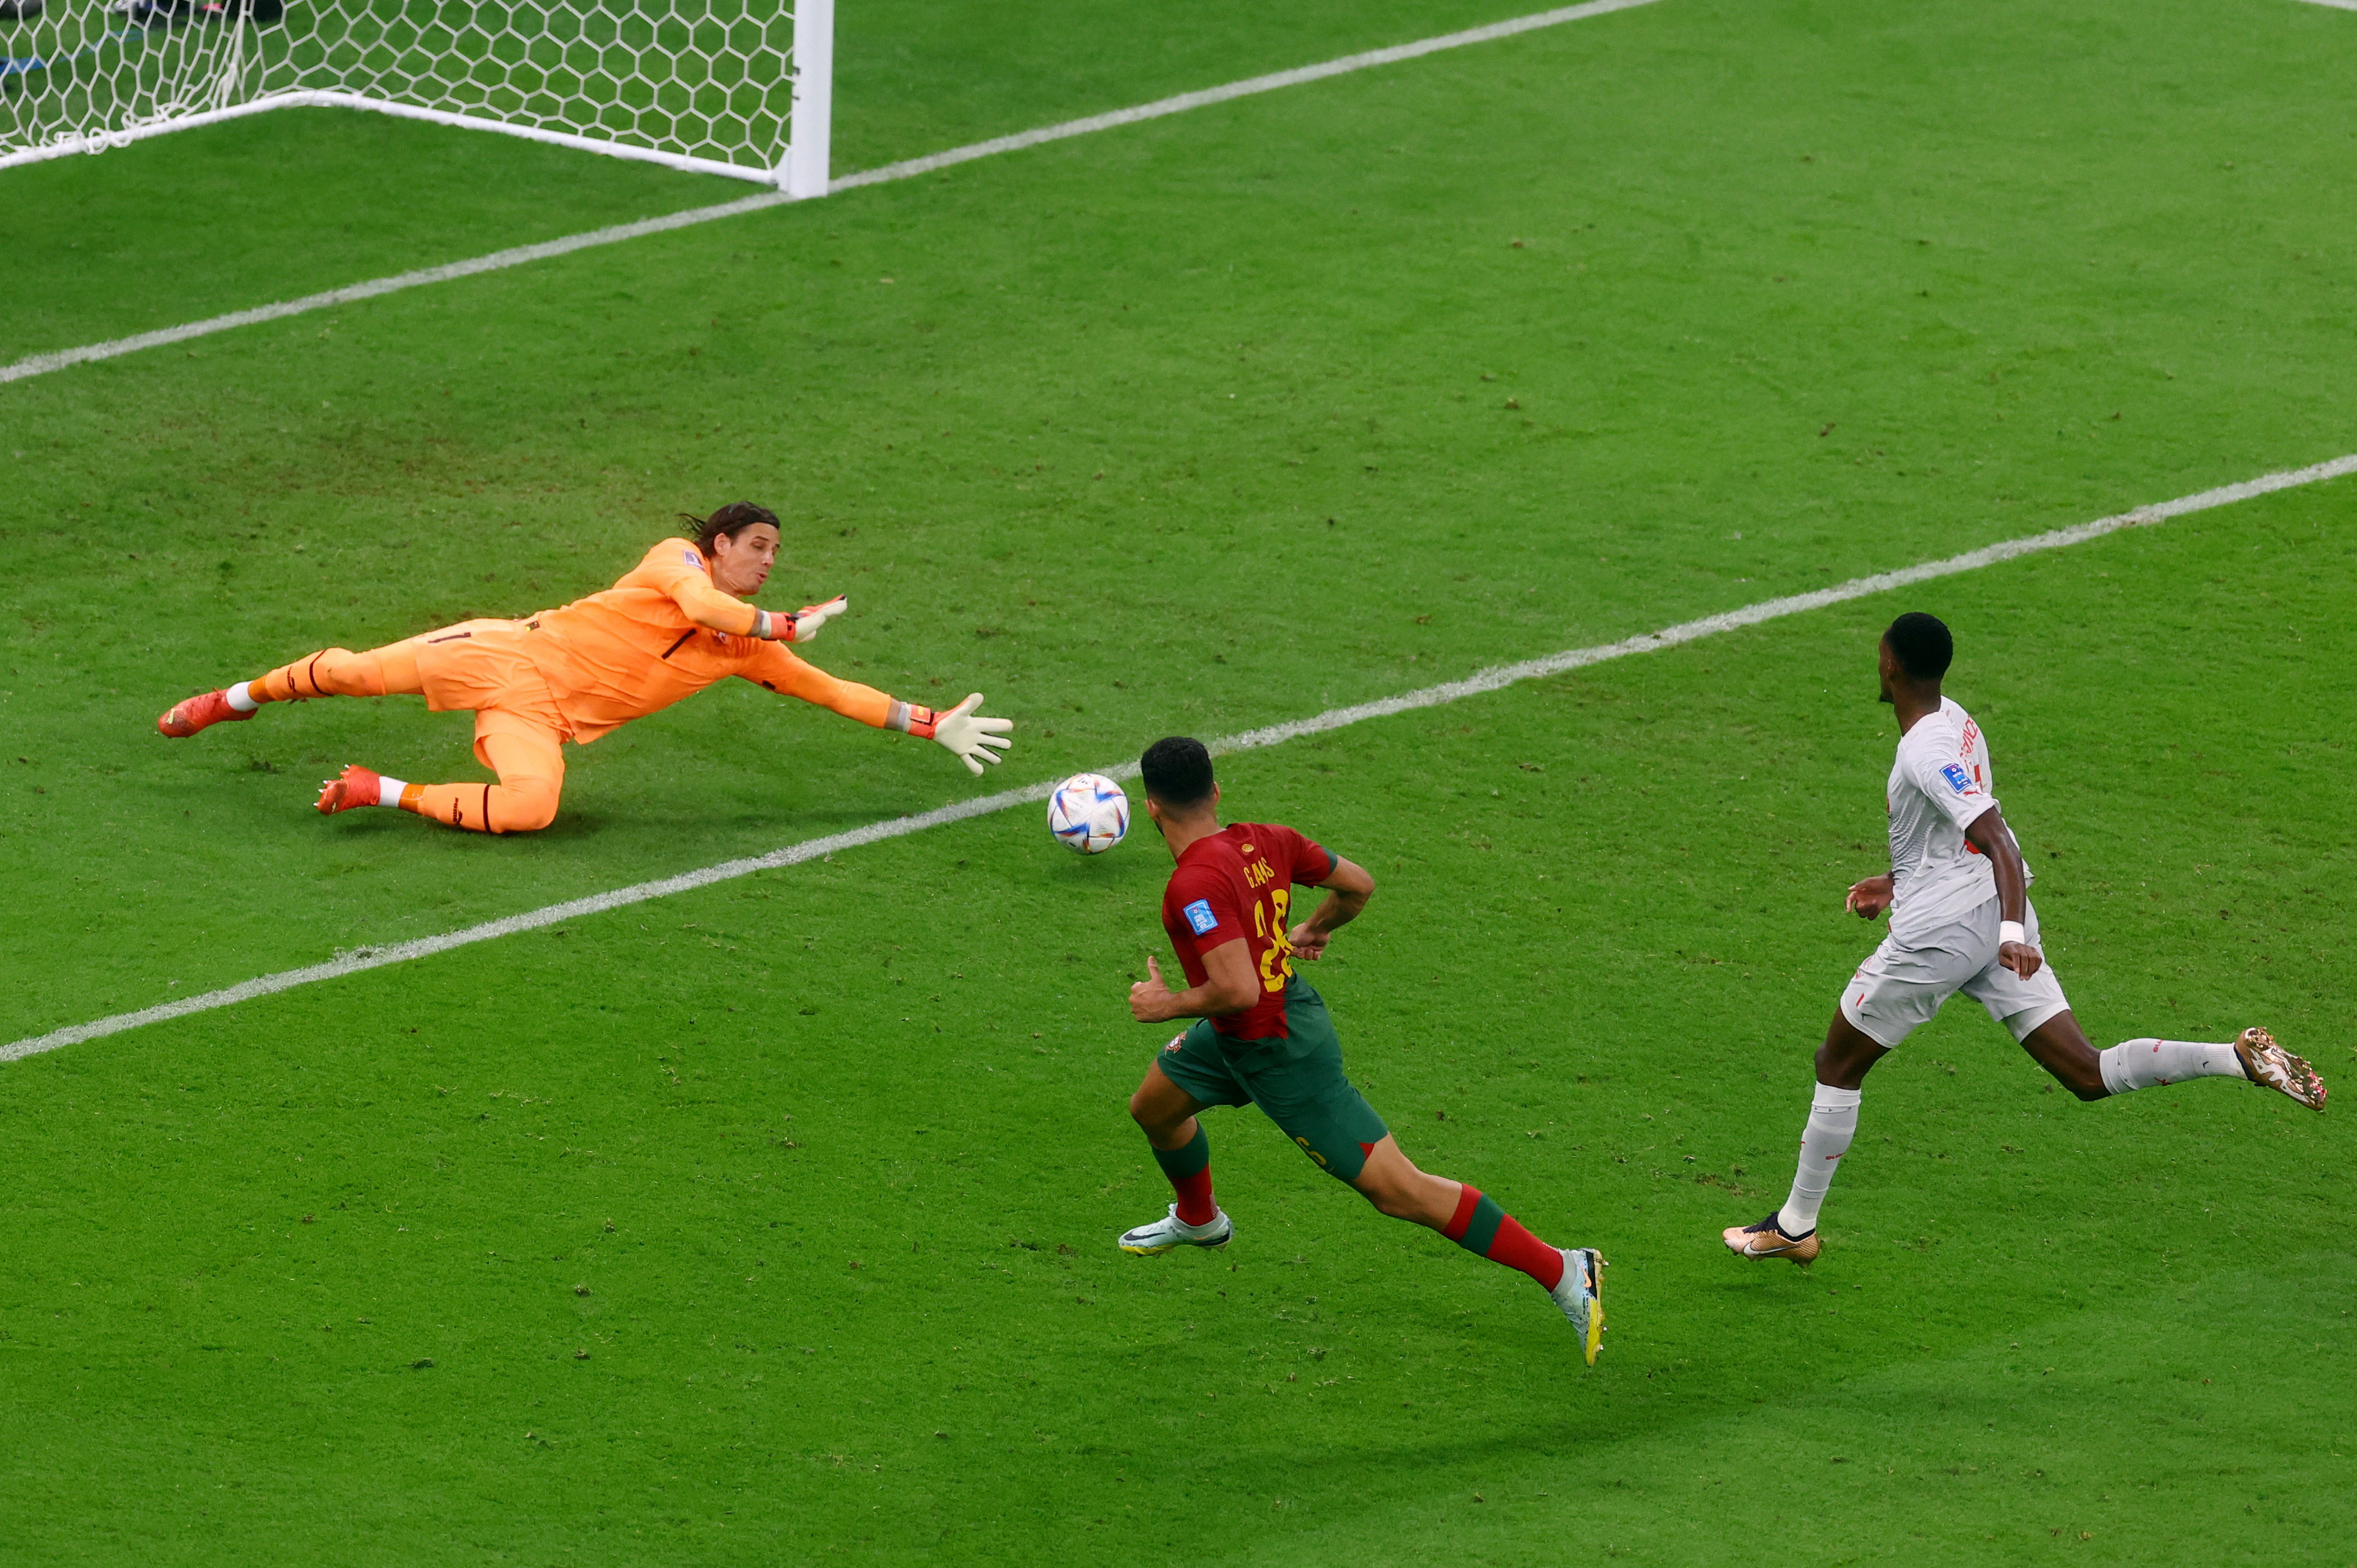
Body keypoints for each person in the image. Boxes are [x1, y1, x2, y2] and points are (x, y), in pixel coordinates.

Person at [1725, 612, 2326, 1265]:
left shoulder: (1923, 749)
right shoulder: (1957, 721)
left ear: (1889, 664)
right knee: (2084, 1071)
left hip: (1946, 935)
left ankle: (1793, 1227)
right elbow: (1948, 839)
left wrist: (2010, 933)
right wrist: (1895, 882)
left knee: (1836, 1063)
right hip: (1983, 913)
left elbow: (1997, 840)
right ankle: (2231, 1057)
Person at [1115, 736, 1606, 1360]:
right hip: (1239, 1034)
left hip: (1279, 1049)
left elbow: (1235, 990)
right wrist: (1316, 926)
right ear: (1214, 791)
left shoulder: (1191, 886)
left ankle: (1565, 1269)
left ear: (1150, 807)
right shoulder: (1269, 839)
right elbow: (1358, 885)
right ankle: (1199, 1218)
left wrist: (1164, 1005)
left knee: (1397, 1190)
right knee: (1154, 1109)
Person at [155, 503, 1012, 833]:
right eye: (758, 547)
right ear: (719, 544)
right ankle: (234, 699)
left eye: (777, 554)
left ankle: (378, 790)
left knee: (534, 809)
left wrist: (932, 722)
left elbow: (834, 693)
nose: (768, 561)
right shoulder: (672, 563)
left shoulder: (750, 650)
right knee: (345, 672)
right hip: (506, 652)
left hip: (540, 717)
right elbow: (713, 607)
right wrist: (783, 620)